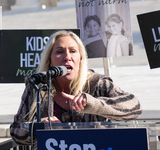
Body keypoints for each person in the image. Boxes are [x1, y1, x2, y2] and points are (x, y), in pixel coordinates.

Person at [10, 30, 142, 149]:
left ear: (81, 59)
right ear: (50, 60)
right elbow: (16, 130)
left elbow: (134, 106)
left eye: (73, 51)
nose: (67, 57)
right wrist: (37, 127)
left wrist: (95, 104)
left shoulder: (98, 83)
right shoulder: (37, 86)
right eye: (59, 51)